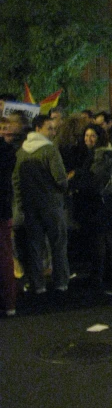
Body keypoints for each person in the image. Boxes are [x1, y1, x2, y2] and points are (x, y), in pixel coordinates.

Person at [12, 114, 70, 294]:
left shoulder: (21, 152)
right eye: (49, 128)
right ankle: (60, 282)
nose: (53, 132)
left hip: (30, 207)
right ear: (38, 128)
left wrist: (21, 204)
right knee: (58, 245)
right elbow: (60, 179)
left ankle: (38, 285)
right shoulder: (50, 150)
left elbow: (16, 181)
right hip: (51, 204)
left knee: (35, 247)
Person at [68, 123, 112, 290]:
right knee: (105, 237)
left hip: (102, 199)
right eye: (86, 135)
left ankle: (99, 274)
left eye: (92, 136)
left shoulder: (102, 154)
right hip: (104, 198)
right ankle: (108, 272)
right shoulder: (98, 153)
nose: (88, 139)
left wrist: (76, 175)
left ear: (99, 137)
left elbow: (95, 179)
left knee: (100, 237)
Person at [0, 126, 17, 316]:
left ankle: (8, 301)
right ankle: (9, 302)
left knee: (4, 256)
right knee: (5, 256)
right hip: (4, 208)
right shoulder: (7, 151)